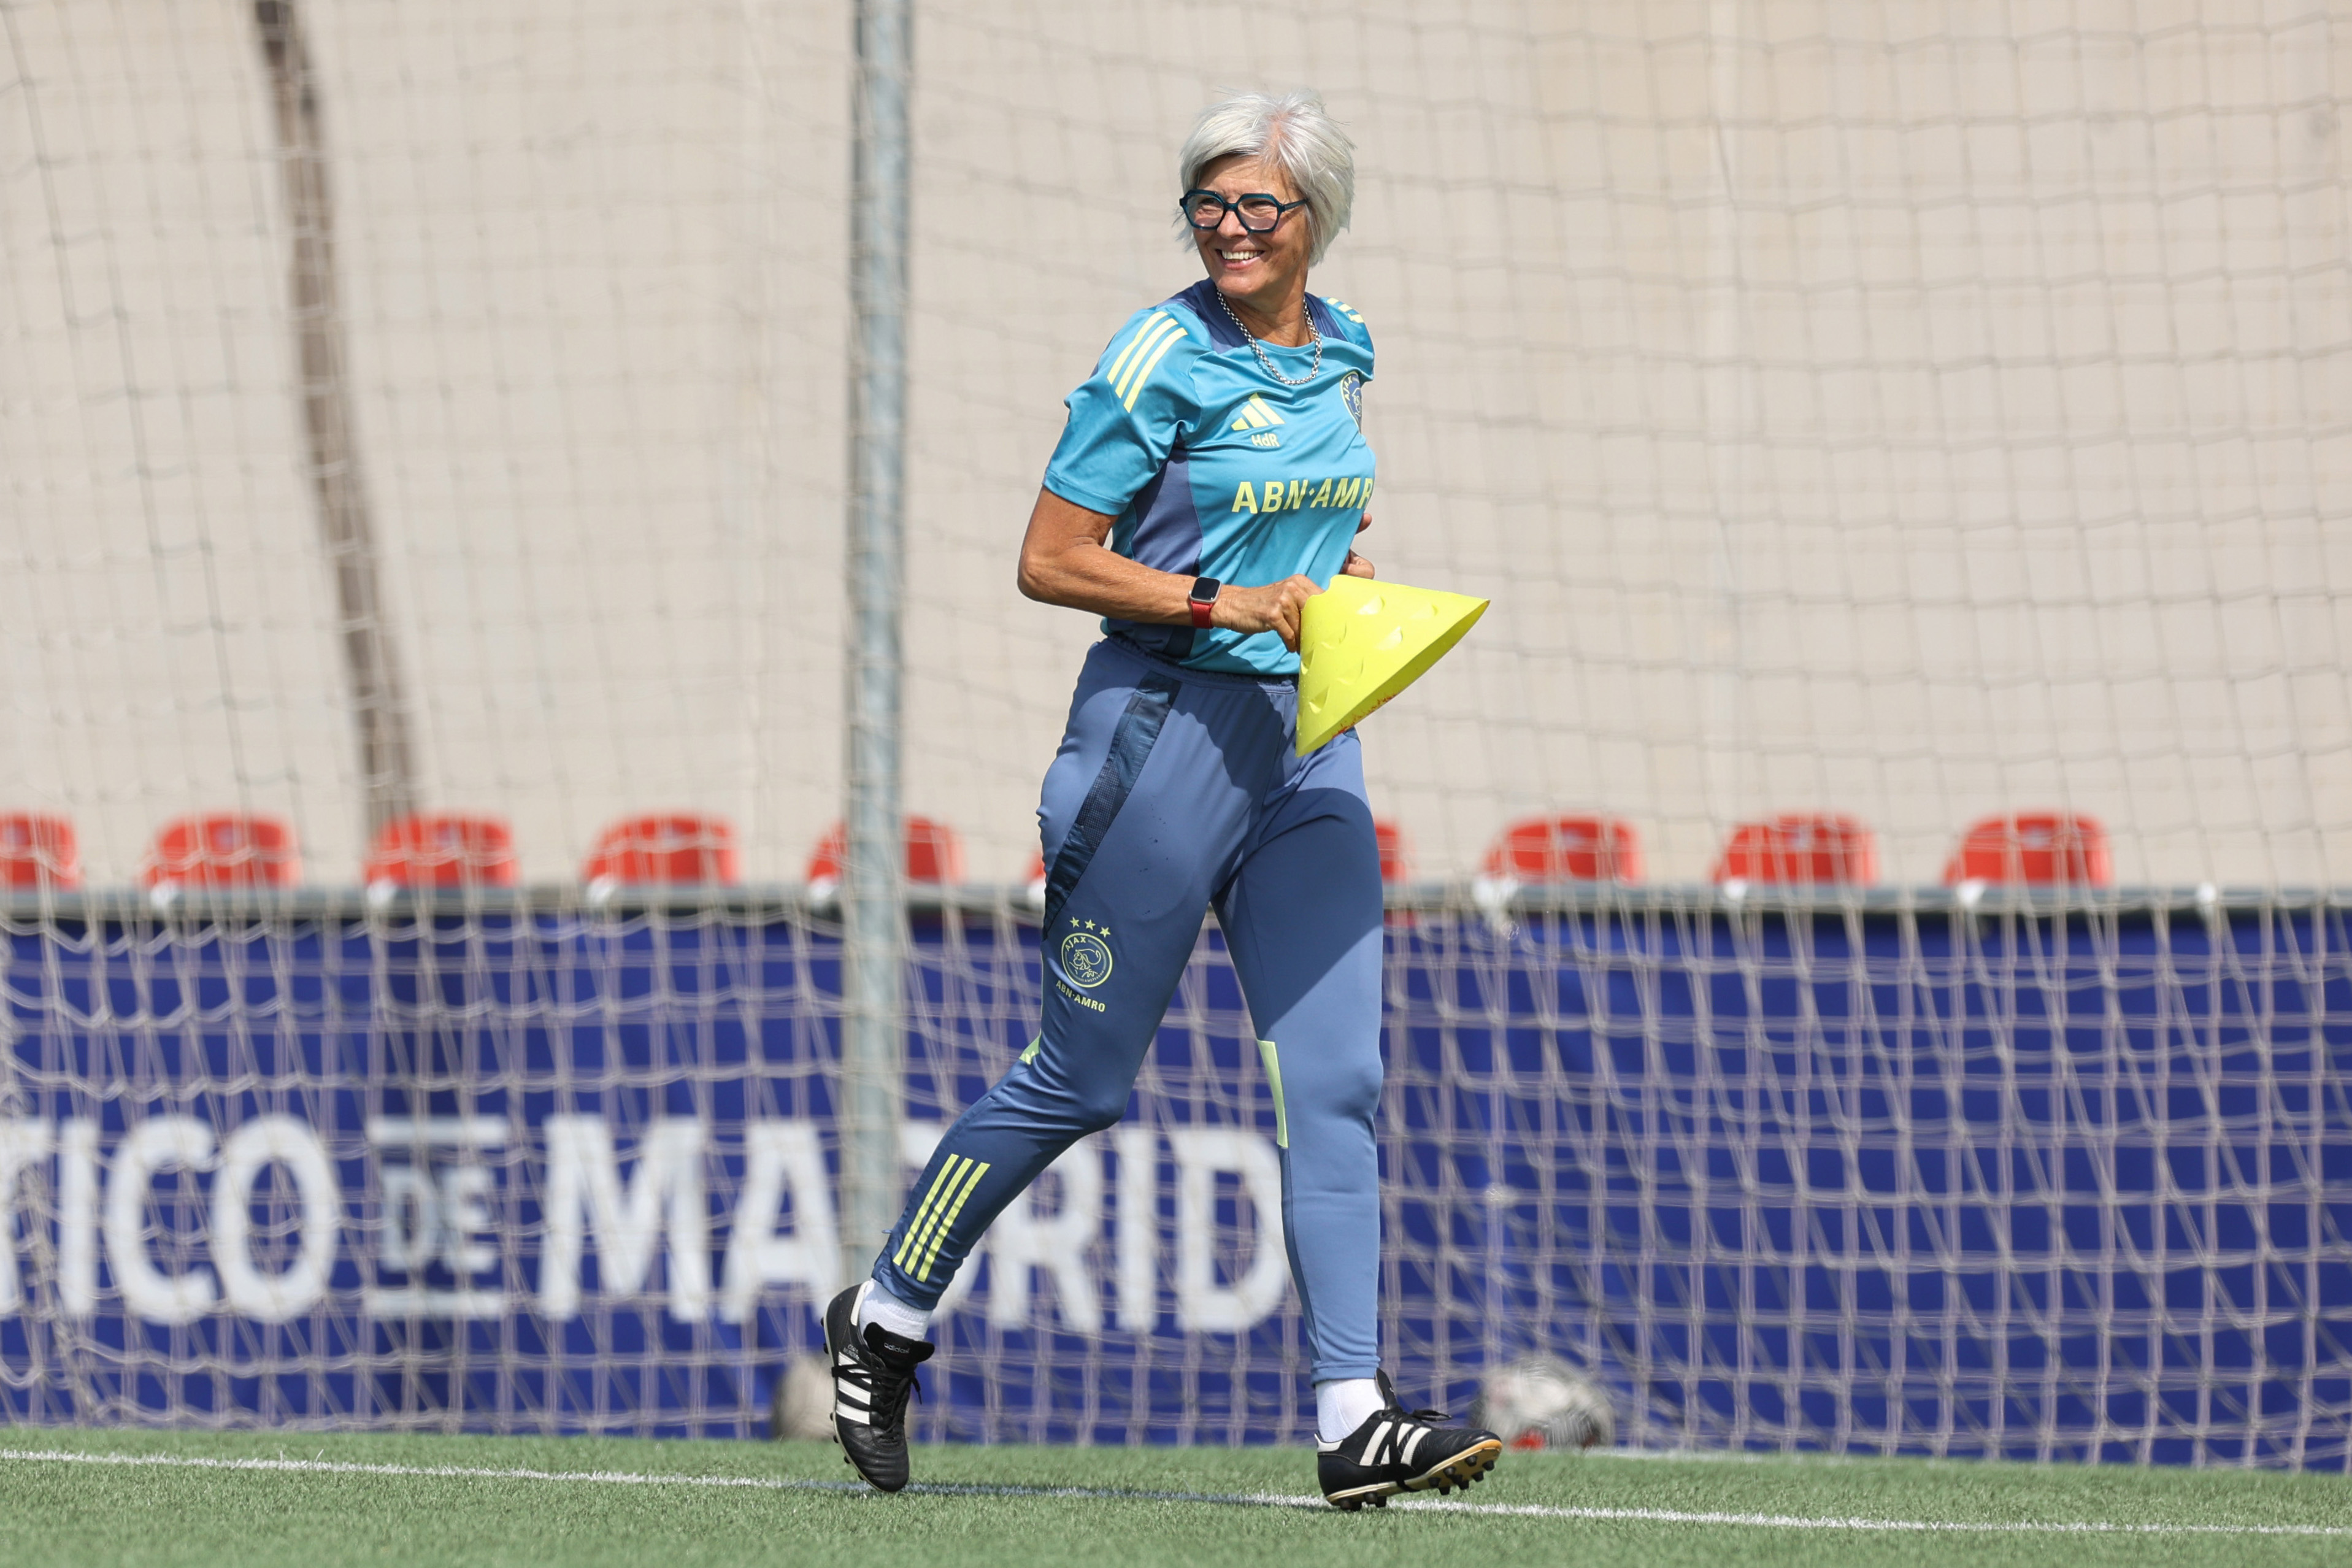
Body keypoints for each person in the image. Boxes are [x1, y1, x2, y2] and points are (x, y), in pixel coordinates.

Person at [821, 90, 1501, 1511]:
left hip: (1307, 746)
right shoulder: (1156, 356)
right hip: (1158, 741)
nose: (1231, 226)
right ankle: (886, 1313)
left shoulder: (1348, 347)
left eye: (1259, 204)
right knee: (1081, 1082)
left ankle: (1353, 1415)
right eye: (1210, 201)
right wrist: (1219, 598)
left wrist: (1345, 582)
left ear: (1318, 216)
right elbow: (1049, 558)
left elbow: (1314, 512)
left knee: (1338, 1084)